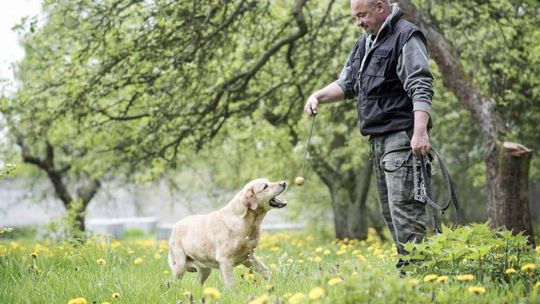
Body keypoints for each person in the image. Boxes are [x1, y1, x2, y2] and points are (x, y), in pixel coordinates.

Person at [303, 0, 433, 269]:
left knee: (406, 214)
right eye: (355, 17)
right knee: (391, 214)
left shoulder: (406, 36)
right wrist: (318, 96)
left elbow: (421, 85)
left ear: (380, 6)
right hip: (378, 142)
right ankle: (410, 280)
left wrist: (420, 132)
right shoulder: (365, 43)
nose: (358, 22)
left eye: (361, 15)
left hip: (402, 139)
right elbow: (348, 83)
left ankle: (420, 280)